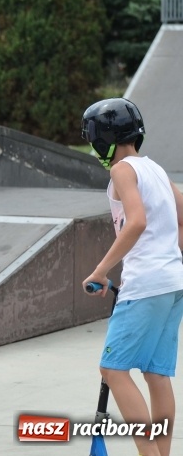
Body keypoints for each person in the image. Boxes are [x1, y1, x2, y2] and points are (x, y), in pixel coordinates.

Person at [81, 97, 183, 456]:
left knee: (113, 369)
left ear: (103, 138)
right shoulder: (153, 168)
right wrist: (168, 259)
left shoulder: (122, 170)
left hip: (147, 285)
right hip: (172, 284)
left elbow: (136, 221)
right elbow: (182, 215)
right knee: (156, 373)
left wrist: (100, 269)